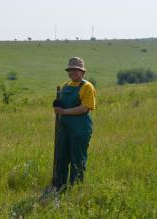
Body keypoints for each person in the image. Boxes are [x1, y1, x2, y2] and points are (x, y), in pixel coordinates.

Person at [52, 57, 96, 192]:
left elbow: (85, 108)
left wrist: (63, 111)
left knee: (77, 160)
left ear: (82, 72)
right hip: (64, 129)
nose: (73, 72)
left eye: (76, 70)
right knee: (61, 158)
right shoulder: (65, 86)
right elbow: (59, 108)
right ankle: (59, 188)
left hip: (80, 129)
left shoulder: (87, 87)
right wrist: (57, 107)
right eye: (71, 70)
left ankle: (75, 190)